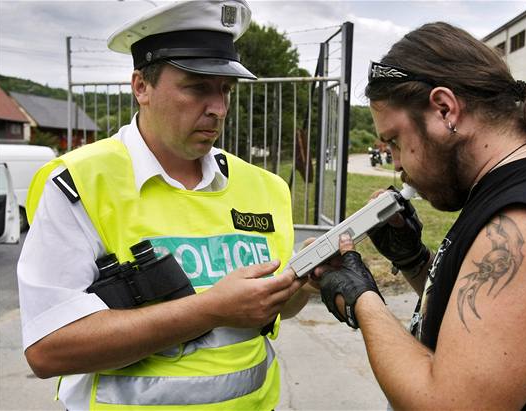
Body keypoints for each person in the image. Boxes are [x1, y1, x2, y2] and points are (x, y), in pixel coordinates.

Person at [317, 22, 526, 409]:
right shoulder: (509, 192)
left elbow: (447, 403)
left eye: (396, 141)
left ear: (445, 109)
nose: (396, 163)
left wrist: (362, 299)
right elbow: (478, 325)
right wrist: (412, 260)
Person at [17, 1, 313, 409]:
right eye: (197, 87)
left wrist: (308, 283)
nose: (218, 109)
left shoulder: (265, 189)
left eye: (225, 90)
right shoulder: (80, 183)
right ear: (141, 86)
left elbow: (274, 309)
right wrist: (209, 310)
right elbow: (48, 349)